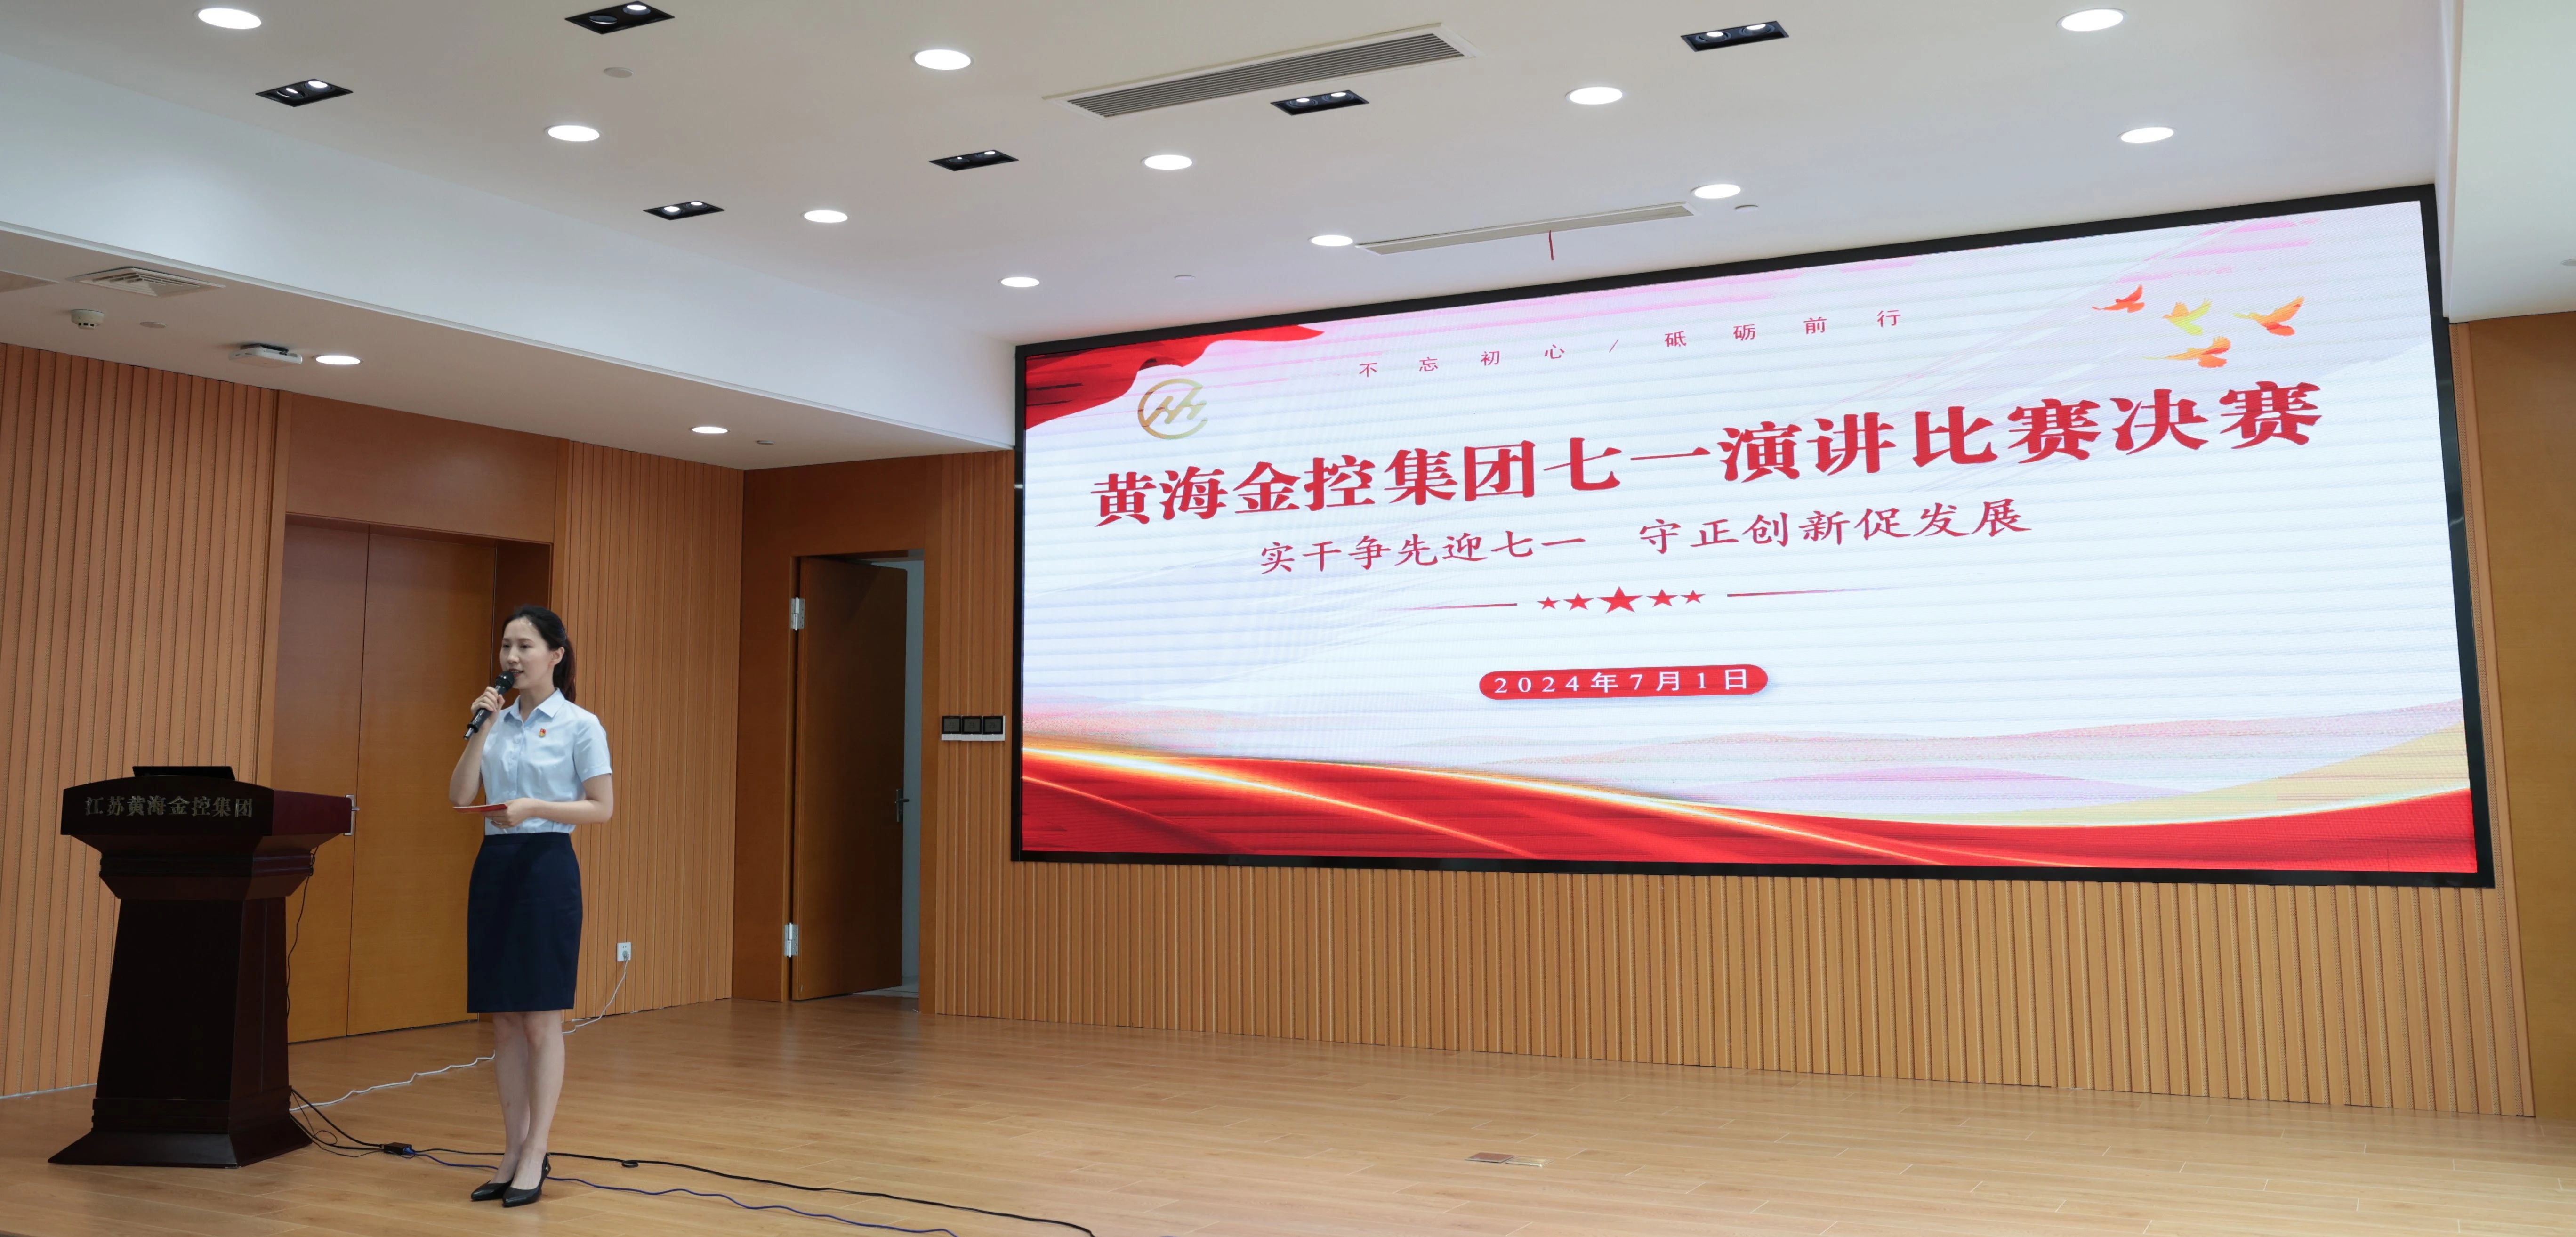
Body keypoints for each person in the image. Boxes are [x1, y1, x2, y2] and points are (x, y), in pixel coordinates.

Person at [445, 605, 612, 1208]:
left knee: (541, 1018)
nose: (512, 657)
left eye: (525, 646)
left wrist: (536, 806)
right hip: (495, 866)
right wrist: (482, 727)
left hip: (547, 866)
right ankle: (512, 1148)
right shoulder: (493, 719)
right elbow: (460, 795)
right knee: (505, 1020)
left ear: (555, 654)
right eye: (506, 646)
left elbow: (602, 806)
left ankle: (537, 1148)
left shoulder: (580, 724)